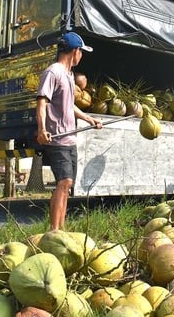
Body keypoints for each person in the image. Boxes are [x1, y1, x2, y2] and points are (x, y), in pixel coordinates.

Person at [36, 31, 102, 231]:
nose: (81, 56)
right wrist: (41, 129)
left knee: (68, 184)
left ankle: (61, 228)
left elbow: (69, 105)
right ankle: (54, 229)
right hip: (57, 138)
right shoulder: (53, 72)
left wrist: (89, 119)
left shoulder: (69, 75)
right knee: (64, 181)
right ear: (75, 51)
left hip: (70, 138)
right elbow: (41, 102)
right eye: (81, 52)